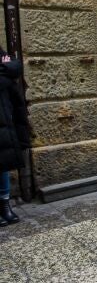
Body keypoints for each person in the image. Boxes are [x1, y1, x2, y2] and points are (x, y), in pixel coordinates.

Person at [0, 46, 29, 226]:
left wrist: (6, 69)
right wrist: (5, 72)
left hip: (4, 113)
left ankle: (4, 205)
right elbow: (7, 71)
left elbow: (15, 66)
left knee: (2, 163)